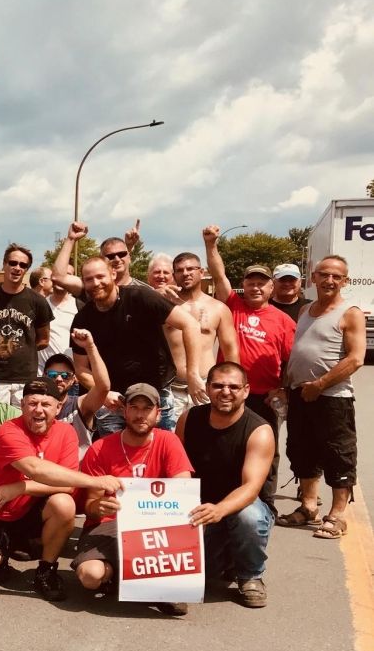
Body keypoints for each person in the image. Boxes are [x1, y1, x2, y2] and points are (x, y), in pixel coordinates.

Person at [0, 377, 122, 602]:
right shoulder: (8, 431)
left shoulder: (66, 432)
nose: (38, 410)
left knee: (64, 504)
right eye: (32, 403)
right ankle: (1, 556)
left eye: (46, 404)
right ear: (22, 405)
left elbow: (67, 485)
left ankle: (46, 570)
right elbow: (35, 468)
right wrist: (96, 481)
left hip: (32, 513)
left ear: (58, 408)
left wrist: (21, 487)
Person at [70, 384, 195, 616]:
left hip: (155, 525)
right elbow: (89, 507)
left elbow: (183, 491)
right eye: (134, 408)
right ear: (124, 412)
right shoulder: (100, 448)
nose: (140, 415)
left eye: (147, 409)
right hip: (109, 524)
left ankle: (152, 581)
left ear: (158, 413)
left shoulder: (169, 441)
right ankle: (131, 578)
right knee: (90, 576)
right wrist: (99, 506)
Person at [69, 247, 203, 437]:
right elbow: (81, 369)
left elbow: (190, 324)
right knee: (116, 460)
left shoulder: (141, 297)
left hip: (155, 393)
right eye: (89, 279)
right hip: (114, 401)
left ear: (113, 274)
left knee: (159, 455)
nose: (96, 283)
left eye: (100, 276)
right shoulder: (83, 319)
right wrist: (103, 392)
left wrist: (193, 373)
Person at [176, 362, 276, 608]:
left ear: (246, 391)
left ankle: (251, 576)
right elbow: (175, 469)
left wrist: (218, 510)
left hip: (240, 507)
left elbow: (251, 488)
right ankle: (229, 557)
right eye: (218, 385)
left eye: (234, 386)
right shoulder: (189, 418)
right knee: (201, 575)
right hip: (199, 511)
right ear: (208, 388)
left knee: (249, 517)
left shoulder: (259, 430)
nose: (225, 391)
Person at [280, 255, 364, 539]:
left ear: (345, 281)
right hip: (300, 394)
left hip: (332, 397)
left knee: (338, 453)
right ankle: (307, 507)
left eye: (336, 277)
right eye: (324, 275)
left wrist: (321, 383)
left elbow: (355, 359)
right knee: (302, 450)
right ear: (313, 278)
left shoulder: (349, 312)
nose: (329, 281)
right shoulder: (305, 310)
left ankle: (337, 514)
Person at [204, 226, 295, 434]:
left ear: (271, 288)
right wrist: (211, 244)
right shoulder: (232, 305)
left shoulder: (284, 320)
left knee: (266, 446)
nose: (256, 288)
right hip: (228, 392)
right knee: (226, 443)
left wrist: (283, 389)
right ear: (242, 286)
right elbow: (218, 276)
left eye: (261, 283)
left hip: (264, 397)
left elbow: (293, 361)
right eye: (251, 283)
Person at [0, 243, 53, 406]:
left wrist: (21, 349)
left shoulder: (37, 301)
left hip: (25, 379)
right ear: (4, 264)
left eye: (23, 265)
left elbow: (44, 339)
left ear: (27, 269)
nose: (17, 268)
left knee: (23, 426)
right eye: (13, 263)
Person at [165, 252, 239, 417]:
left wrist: (234, 385)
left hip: (205, 385)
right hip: (172, 387)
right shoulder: (164, 306)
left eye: (191, 268)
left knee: (206, 438)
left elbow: (230, 349)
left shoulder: (218, 308)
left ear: (202, 272)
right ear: (174, 275)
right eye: (180, 270)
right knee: (171, 439)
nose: (185, 273)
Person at [42, 333, 110, 457]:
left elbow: (103, 387)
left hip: (76, 472)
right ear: (44, 376)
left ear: (74, 379)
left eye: (65, 375)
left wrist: (90, 347)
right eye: (52, 374)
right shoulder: (36, 405)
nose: (58, 379)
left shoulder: (81, 405)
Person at [52, 219, 148, 296]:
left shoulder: (145, 292)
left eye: (122, 254)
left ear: (129, 257)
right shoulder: (94, 286)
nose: (117, 259)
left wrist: (128, 246)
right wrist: (71, 239)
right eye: (110, 256)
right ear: (102, 261)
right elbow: (58, 277)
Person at [36, 264, 79, 375]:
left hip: (71, 378)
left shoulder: (80, 307)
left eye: (67, 275)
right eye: (58, 275)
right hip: (42, 375)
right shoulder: (39, 305)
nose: (62, 279)